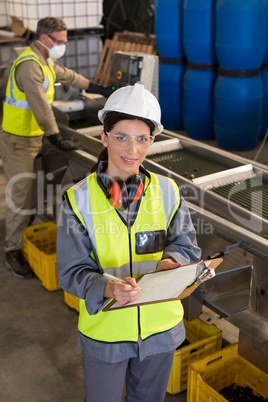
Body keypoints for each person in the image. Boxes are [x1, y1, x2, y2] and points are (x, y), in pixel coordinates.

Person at [57, 83, 201, 402]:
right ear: (104, 136)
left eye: (142, 138)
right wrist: (109, 288)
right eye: (121, 136)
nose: (132, 150)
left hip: (160, 331)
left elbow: (186, 245)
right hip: (106, 334)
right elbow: (71, 272)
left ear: (152, 140)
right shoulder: (78, 200)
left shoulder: (167, 192)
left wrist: (171, 262)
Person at [0, 16, 112, 279]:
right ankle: (11, 250)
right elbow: (40, 106)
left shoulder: (45, 61)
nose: (64, 45)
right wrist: (55, 136)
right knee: (21, 195)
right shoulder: (29, 66)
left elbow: (69, 76)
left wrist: (99, 88)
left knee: (33, 192)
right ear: (44, 38)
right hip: (19, 141)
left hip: (33, 138)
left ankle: (25, 234)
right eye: (60, 41)